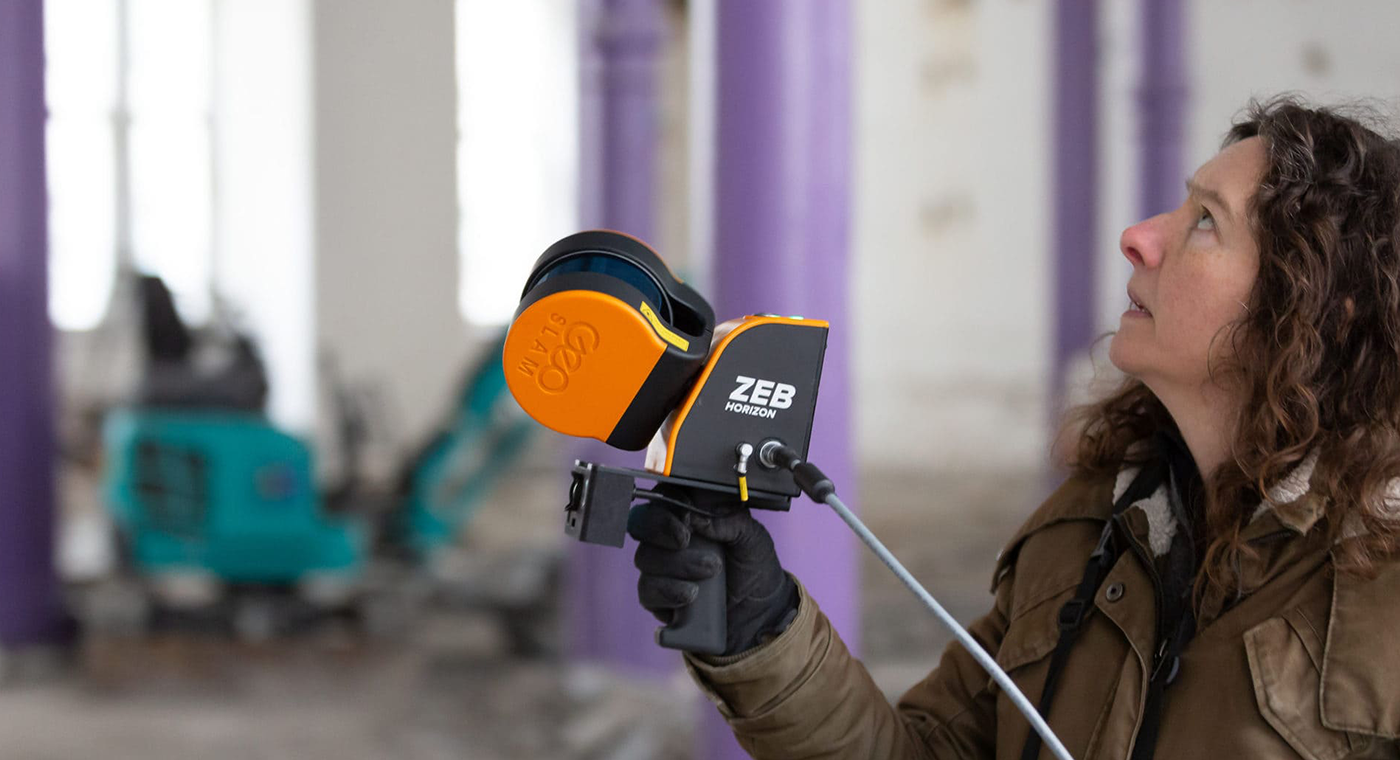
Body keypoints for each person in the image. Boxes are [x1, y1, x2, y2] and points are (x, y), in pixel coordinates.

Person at [628, 97, 1400, 759]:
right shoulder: (1087, 530)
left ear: (1318, 310)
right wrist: (763, 631)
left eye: (1205, 222)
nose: (1139, 235)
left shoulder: (1382, 580)